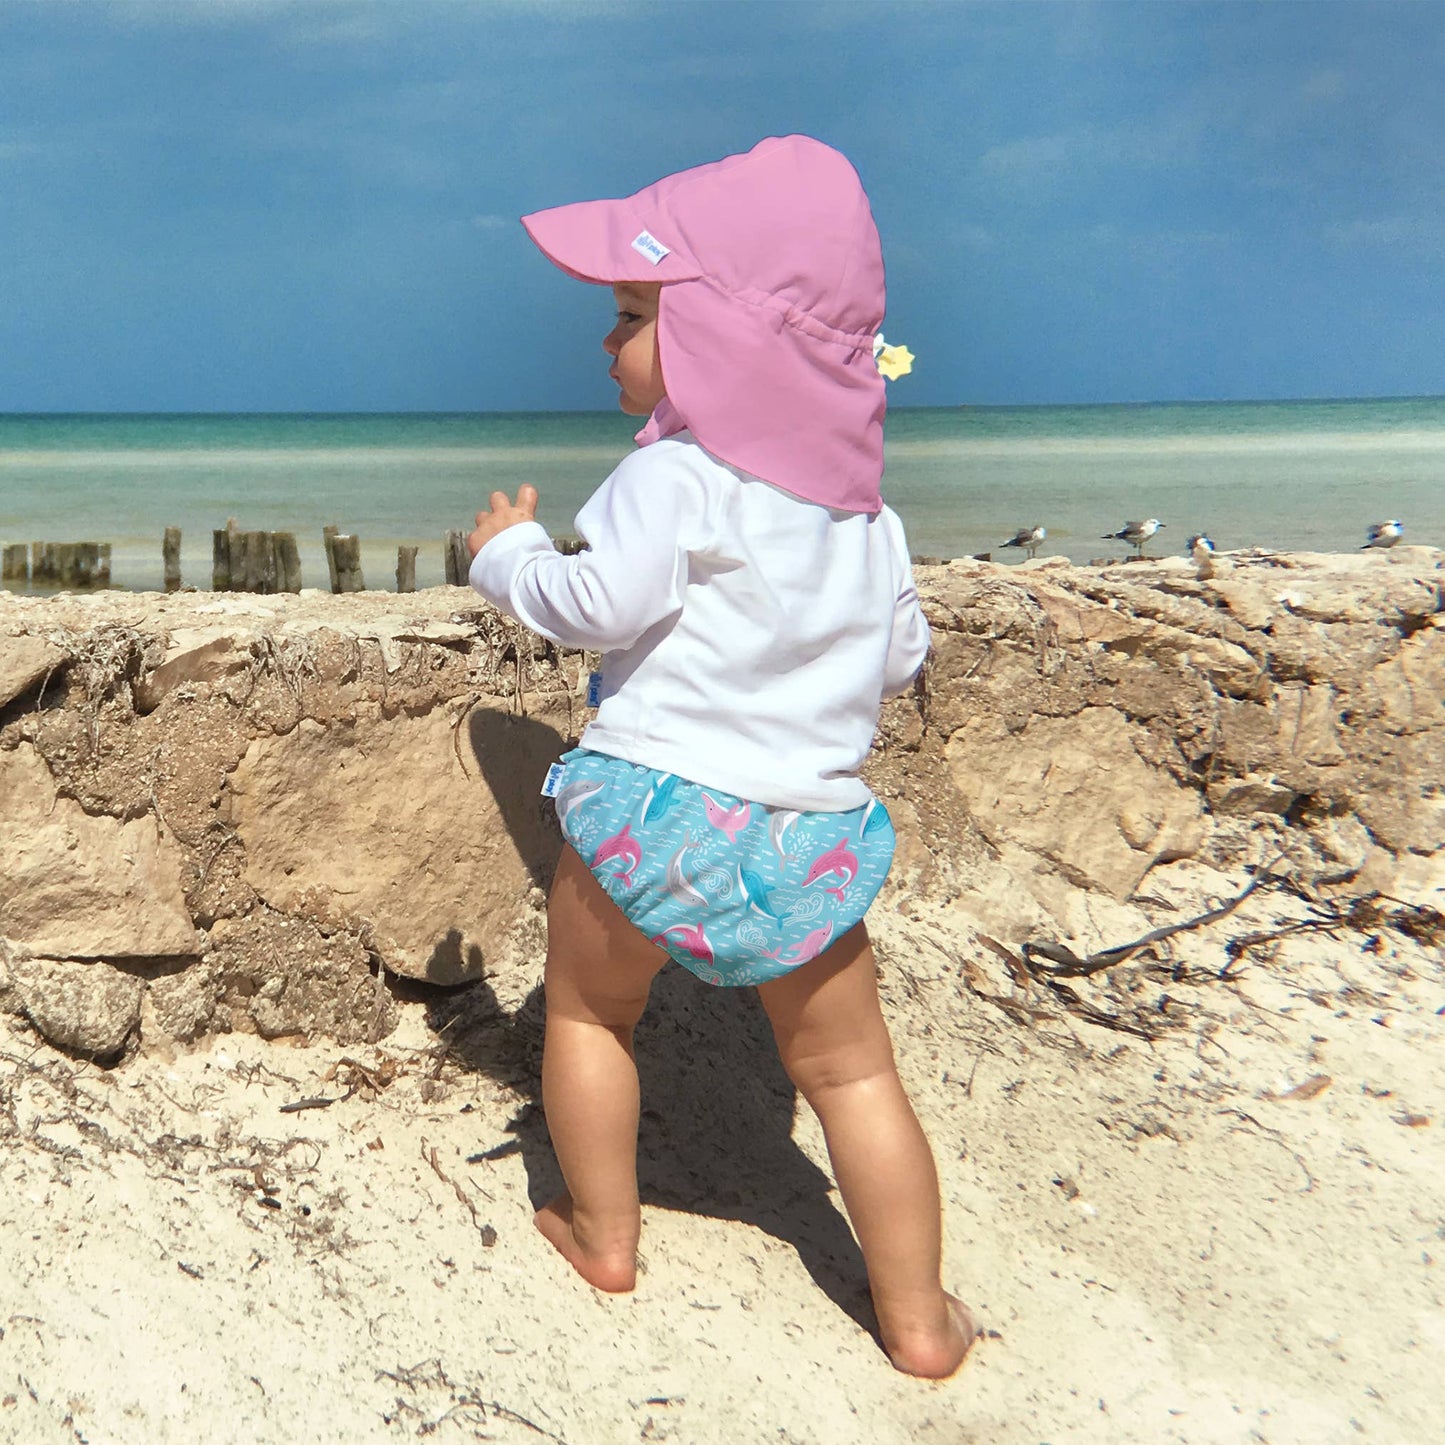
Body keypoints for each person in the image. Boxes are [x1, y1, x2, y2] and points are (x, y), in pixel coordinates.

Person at [466, 135, 975, 1379]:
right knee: (851, 1075)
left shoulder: (674, 477)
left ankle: (604, 1235)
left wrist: (506, 556)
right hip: (803, 834)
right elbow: (898, 653)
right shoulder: (865, 515)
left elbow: (595, 606)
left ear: (718, 339)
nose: (608, 339)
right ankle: (917, 1318)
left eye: (635, 314)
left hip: (649, 815)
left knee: (590, 1011)